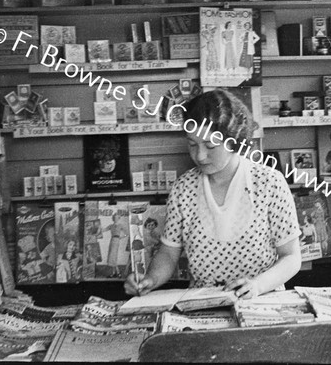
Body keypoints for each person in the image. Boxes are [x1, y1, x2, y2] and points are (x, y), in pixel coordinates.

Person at [125, 90, 302, 299]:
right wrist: (151, 279)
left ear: (234, 140)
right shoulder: (184, 188)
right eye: (192, 144)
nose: (200, 155)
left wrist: (258, 285)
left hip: (262, 302)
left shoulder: (269, 183)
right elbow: (168, 253)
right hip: (202, 303)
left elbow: (291, 257)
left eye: (210, 146)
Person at [106, 213, 127, 278]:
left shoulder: (120, 225)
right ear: (113, 218)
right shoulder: (111, 225)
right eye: (114, 217)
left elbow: (127, 233)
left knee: (113, 256)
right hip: (112, 240)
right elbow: (103, 230)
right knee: (112, 256)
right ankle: (114, 273)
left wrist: (121, 237)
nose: (115, 219)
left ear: (118, 218)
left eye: (117, 218)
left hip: (116, 240)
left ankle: (118, 273)